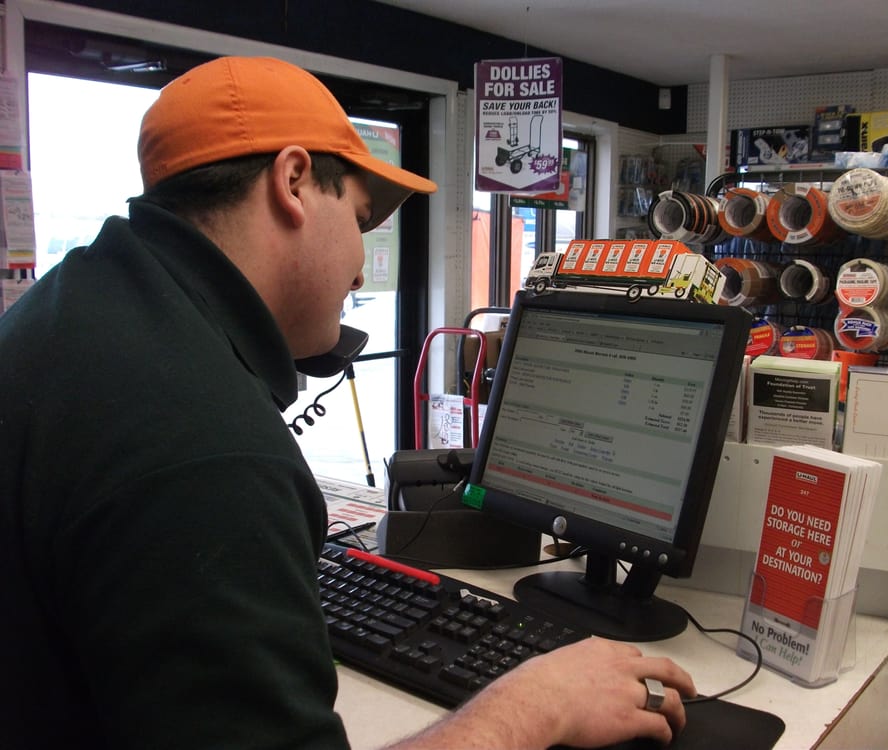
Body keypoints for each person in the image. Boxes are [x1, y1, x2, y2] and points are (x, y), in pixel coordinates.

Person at [0, 55, 696, 749]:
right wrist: (535, 705)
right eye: (362, 222)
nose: (362, 271)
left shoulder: (71, 311)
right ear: (293, 182)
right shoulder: (206, 449)